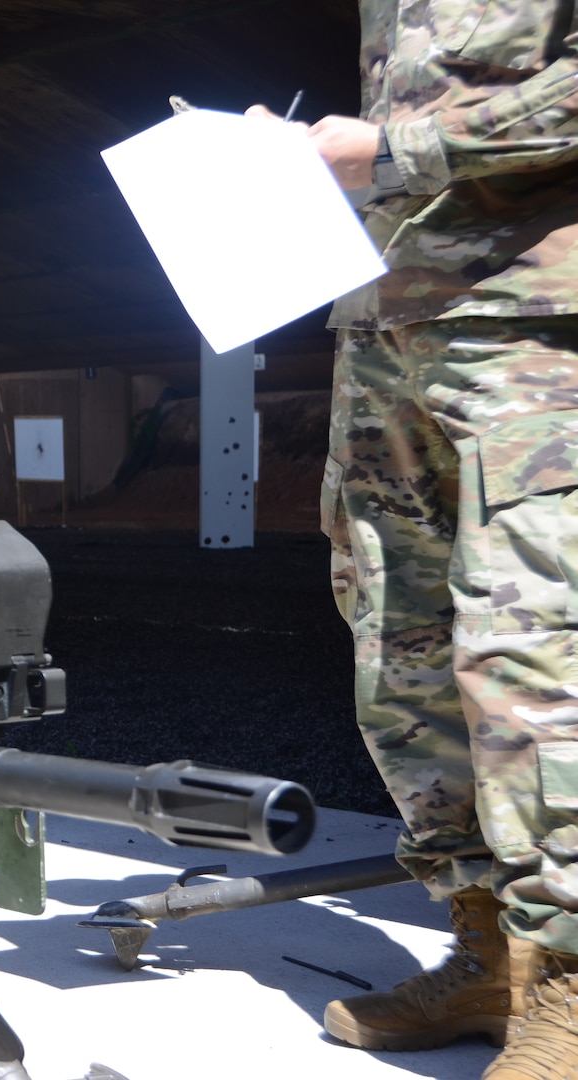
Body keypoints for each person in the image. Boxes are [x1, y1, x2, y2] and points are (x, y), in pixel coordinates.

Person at [250, 7, 578, 1076]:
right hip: (386, 316)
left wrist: (390, 151)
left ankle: (568, 975)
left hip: (531, 316)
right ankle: (484, 944)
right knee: (400, 644)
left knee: (533, 648)